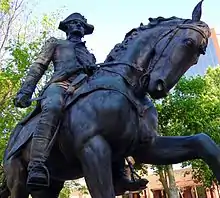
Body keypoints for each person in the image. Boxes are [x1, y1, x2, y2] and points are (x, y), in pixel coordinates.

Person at [14, 12, 147, 193]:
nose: (77, 26)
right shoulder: (56, 43)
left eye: (81, 24)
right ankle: (37, 164)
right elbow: (38, 66)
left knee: (110, 114)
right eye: (73, 23)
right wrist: (25, 90)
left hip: (84, 89)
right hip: (60, 86)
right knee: (53, 107)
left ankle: (119, 174)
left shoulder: (89, 55)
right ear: (67, 27)